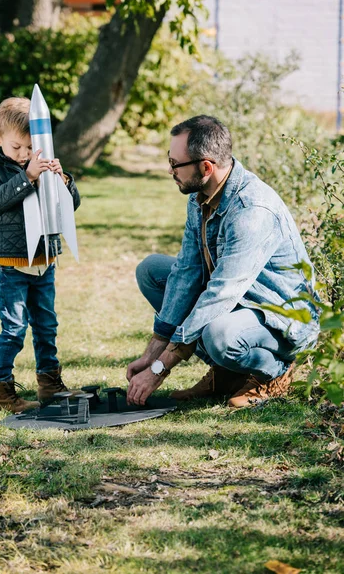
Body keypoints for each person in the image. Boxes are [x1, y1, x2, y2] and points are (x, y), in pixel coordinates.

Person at [126, 115, 320, 408]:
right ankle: (227, 373)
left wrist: (160, 369)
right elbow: (186, 273)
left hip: (280, 317)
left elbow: (219, 295)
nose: (170, 170)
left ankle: (275, 372)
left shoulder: (251, 210)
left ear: (206, 167)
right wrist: (151, 353)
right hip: (239, 303)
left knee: (219, 335)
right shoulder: (200, 195)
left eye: (176, 164)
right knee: (152, 271)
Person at [0, 97, 81, 413]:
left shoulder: (41, 163)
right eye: (16, 148)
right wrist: (28, 177)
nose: (24, 155)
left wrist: (62, 180)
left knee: (46, 325)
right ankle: (2, 391)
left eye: (29, 148)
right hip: (12, 264)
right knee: (13, 328)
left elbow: (70, 206)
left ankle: (50, 384)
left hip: (44, 261)